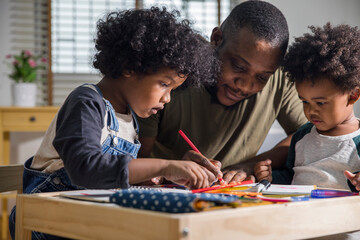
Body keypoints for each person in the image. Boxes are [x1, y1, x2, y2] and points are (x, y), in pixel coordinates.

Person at [9, 7, 222, 240]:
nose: (167, 98)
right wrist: (164, 165)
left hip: (89, 219)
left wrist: (167, 175)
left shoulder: (130, 120)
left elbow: (115, 174)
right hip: (48, 222)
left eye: (172, 90)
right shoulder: (87, 103)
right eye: (164, 84)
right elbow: (85, 168)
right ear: (129, 67)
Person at [137, 0, 307, 184]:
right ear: (216, 39)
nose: (245, 86)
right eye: (239, 67)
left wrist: (252, 164)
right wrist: (172, 170)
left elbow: (306, 137)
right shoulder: (173, 73)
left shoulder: (278, 77)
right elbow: (131, 162)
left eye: (262, 77)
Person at [254, 23, 360, 192]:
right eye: (304, 101)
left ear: (353, 95)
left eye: (320, 103)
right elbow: (292, 177)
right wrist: (270, 177)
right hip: (301, 213)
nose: (311, 111)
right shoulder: (302, 136)